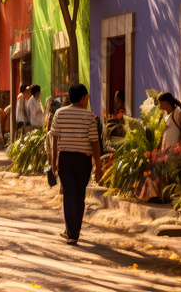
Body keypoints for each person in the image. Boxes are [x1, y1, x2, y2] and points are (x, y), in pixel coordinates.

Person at [49, 84, 103, 246]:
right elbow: (94, 142)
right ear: (84, 98)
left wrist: (53, 161)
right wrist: (98, 166)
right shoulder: (89, 117)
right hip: (83, 162)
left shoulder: (59, 113)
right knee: (79, 195)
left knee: (70, 194)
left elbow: (54, 139)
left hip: (65, 159)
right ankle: (73, 231)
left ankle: (72, 231)